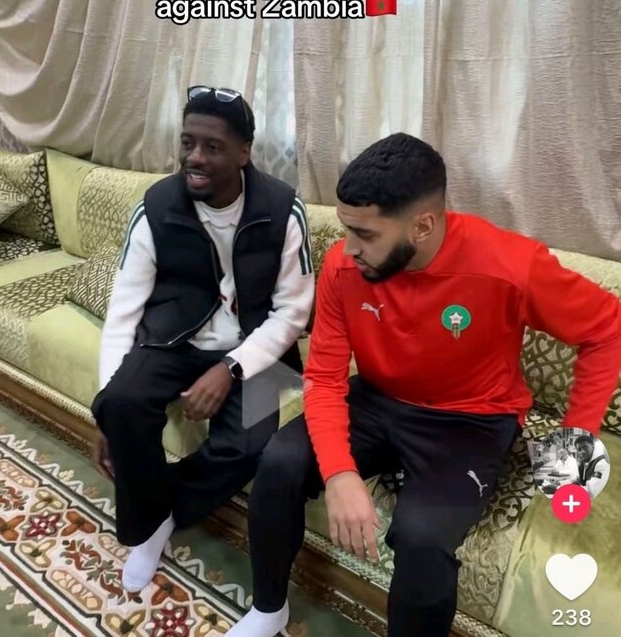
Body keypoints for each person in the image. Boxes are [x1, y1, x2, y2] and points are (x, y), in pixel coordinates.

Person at [227, 133, 621, 637]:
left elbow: (606, 328)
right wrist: (340, 473)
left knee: (421, 539)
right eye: (347, 230)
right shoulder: (344, 267)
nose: (348, 248)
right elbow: (324, 377)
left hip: (471, 420)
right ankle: (268, 609)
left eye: (365, 234)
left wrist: (575, 443)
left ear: (423, 225)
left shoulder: (510, 266)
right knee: (279, 461)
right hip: (376, 400)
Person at [91, 86, 314, 592]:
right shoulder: (156, 206)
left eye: (213, 147)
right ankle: (149, 524)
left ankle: (161, 507)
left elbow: (293, 311)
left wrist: (231, 368)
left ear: (243, 152)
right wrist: (104, 409)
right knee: (121, 403)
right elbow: (123, 311)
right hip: (174, 337)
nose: (194, 157)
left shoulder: (284, 210)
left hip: (263, 350)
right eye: (188, 142)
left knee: (250, 446)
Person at [573, 434, 611, 498]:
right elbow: (578, 479)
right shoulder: (584, 463)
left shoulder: (601, 463)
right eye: (579, 449)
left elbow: (591, 491)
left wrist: (569, 490)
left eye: (585, 447)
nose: (582, 452)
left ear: (593, 446)